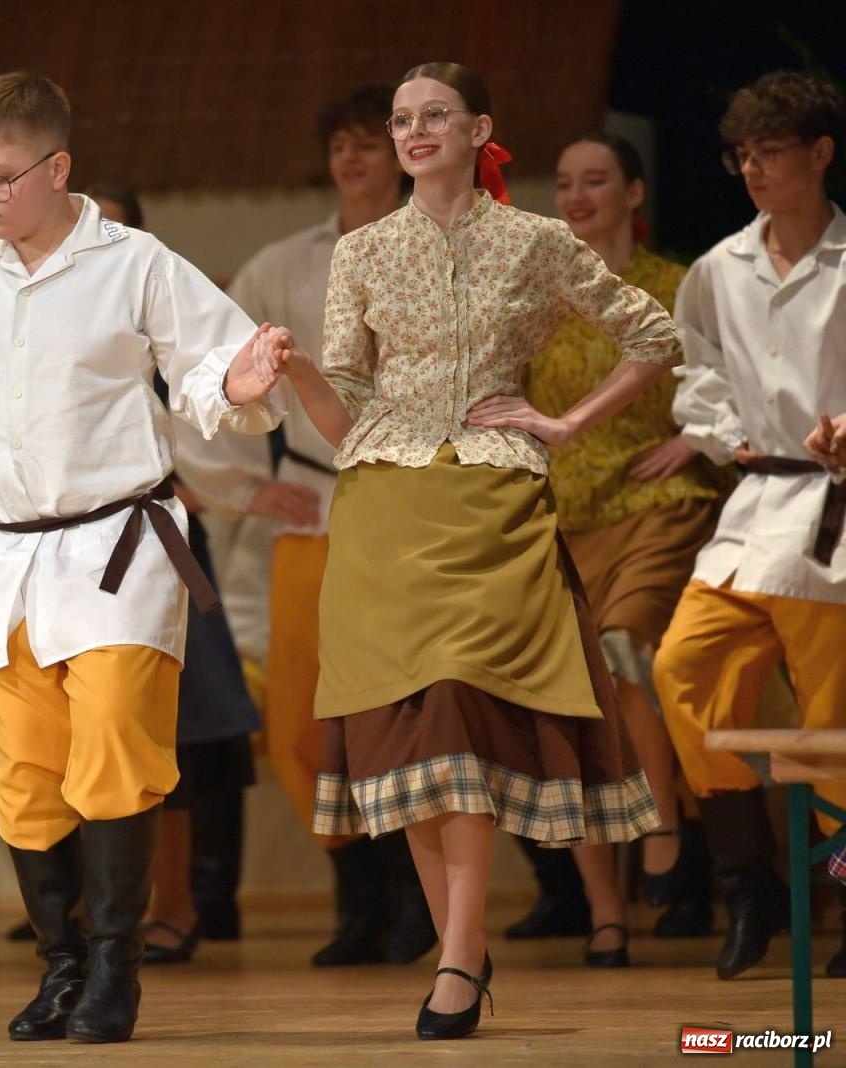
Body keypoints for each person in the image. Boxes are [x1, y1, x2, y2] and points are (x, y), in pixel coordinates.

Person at [0, 71, 290, 1044]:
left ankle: (114, 969)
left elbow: (209, 367)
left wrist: (243, 375)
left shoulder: (133, 264)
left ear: (58, 169)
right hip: (7, 557)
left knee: (111, 746)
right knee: (26, 771)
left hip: (119, 548)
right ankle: (57, 964)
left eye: (2, 177)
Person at [282, 62, 671, 1040]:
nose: (412, 132)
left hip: (492, 499)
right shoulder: (364, 250)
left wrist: (566, 420)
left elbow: (653, 335)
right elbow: (344, 408)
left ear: (477, 129)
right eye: (401, 119)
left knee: (459, 710)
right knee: (406, 731)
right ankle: (466, 947)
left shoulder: (534, 242)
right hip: (379, 508)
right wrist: (287, 372)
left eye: (433, 117)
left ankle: (458, 951)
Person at [227, 85, 435, 968]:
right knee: (304, 724)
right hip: (315, 505)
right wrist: (247, 487)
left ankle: (417, 903)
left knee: (400, 709)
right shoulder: (285, 262)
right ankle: (357, 899)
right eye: (340, 144)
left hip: (413, 509)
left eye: (369, 142)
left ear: (399, 153)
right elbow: (221, 373)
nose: (353, 159)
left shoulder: (437, 248)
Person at [654, 69, 846, 981]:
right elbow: (697, 370)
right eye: (744, 156)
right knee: (682, 669)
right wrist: (720, 430)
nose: (756, 170)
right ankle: (749, 882)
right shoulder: (718, 269)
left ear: (820, 154)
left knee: (836, 723)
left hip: (833, 518)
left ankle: (843, 889)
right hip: (754, 504)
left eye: (774, 153)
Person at [525, 133, 730, 965]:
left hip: (658, 499)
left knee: (625, 648)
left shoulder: (677, 287)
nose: (576, 197)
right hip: (566, 516)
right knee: (567, 702)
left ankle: (663, 820)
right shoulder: (539, 301)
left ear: (634, 193)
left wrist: (697, 440)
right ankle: (604, 914)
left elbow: (729, 388)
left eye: (596, 180)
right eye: (565, 182)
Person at [80, 182, 263, 967]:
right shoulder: (55, 323)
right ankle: (95, 916)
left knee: (178, 735)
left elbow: (215, 432)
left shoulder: (159, 317)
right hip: (67, 545)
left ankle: (176, 905)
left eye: (117, 228)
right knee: (85, 735)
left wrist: (188, 490)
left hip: (159, 538)